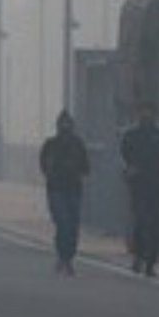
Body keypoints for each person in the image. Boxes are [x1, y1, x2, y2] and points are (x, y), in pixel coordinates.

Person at [121, 100, 159, 277]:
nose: (146, 115)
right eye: (143, 111)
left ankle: (151, 262)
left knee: (156, 225)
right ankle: (138, 256)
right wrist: (129, 169)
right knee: (139, 222)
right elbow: (123, 155)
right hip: (138, 185)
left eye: (149, 111)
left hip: (157, 185)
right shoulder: (130, 134)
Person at [38, 110, 90, 275]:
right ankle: (62, 255)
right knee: (62, 222)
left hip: (73, 188)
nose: (65, 126)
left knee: (73, 225)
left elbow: (86, 166)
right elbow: (43, 164)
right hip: (56, 188)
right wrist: (51, 174)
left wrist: (78, 172)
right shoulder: (50, 144)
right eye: (62, 123)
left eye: (68, 123)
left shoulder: (78, 144)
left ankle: (68, 257)